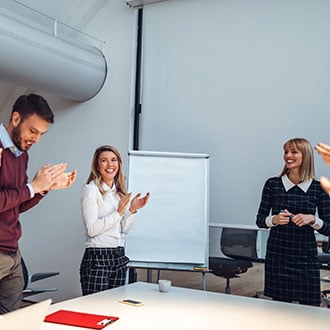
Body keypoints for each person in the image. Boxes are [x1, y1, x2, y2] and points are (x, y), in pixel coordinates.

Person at [0, 93, 77, 314]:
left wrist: (44, 189)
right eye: (33, 131)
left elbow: (17, 205)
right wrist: (32, 186)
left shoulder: (21, 154)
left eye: (41, 134)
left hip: (12, 254)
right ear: (16, 119)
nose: (35, 139)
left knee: (11, 322)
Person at [256, 138, 330, 306]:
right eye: (286, 152)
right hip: (278, 256)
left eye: (294, 152)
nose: (288, 156)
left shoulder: (318, 188)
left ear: (306, 156)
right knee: (280, 308)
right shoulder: (272, 184)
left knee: (310, 308)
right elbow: (260, 220)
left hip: (305, 257)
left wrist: (312, 219)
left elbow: (328, 228)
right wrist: (274, 220)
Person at [79, 145, 150, 295]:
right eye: (104, 161)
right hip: (97, 258)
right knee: (96, 309)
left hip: (118, 255)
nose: (110, 165)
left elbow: (123, 230)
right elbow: (91, 230)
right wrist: (118, 213)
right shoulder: (91, 190)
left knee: (114, 309)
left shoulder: (119, 192)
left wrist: (132, 210)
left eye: (114, 160)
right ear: (97, 166)